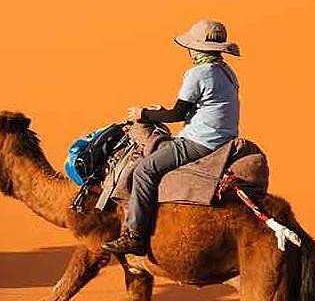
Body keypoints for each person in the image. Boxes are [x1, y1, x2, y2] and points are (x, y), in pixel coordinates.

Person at [102, 19, 242, 256]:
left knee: (145, 170)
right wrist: (159, 111)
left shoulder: (197, 73)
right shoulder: (226, 72)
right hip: (224, 139)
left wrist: (144, 113)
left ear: (197, 49)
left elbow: (177, 113)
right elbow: (198, 107)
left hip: (201, 142)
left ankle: (135, 236)